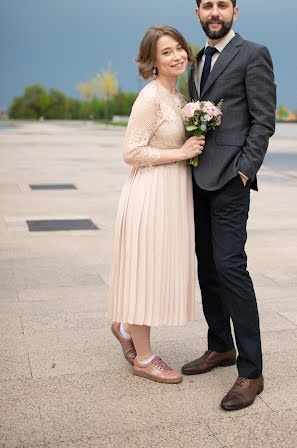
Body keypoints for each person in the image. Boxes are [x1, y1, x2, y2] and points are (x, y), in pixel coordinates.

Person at [182, 0, 276, 409]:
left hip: (230, 183)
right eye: (207, 6)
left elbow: (263, 120)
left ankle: (251, 372)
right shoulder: (195, 61)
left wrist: (244, 171)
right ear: (198, 13)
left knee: (231, 268)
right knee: (207, 268)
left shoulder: (252, 54)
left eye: (222, 5)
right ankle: (221, 345)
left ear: (235, 11)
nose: (214, 12)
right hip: (197, 180)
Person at [108, 25, 205, 384]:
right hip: (149, 195)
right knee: (146, 273)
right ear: (152, 61)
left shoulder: (178, 98)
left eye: (179, 48)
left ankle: (126, 328)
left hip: (171, 195)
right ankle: (144, 358)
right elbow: (131, 152)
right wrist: (180, 152)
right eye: (166, 52)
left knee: (158, 267)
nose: (177, 55)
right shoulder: (150, 98)